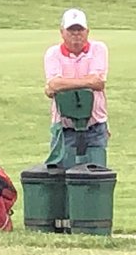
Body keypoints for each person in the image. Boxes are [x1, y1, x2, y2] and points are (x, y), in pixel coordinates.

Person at [43, 8, 109, 157]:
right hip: (64, 128)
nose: (76, 35)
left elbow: (97, 82)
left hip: (95, 126)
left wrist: (60, 85)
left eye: (80, 30)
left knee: (96, 174)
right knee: (61, 176)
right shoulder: (53, 53)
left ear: (87, 31)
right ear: (62, 32)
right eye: (71, 31)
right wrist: (86, 82)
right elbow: (54, 84)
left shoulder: (98, 49)